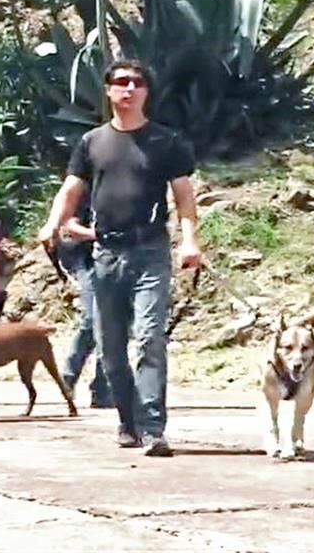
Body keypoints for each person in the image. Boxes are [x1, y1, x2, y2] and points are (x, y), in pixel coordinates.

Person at [37, 59, 202, 457]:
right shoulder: (92, 143)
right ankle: (127, 420)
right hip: (105, 253)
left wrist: (190, 241)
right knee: (110, 346)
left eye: (138, 83)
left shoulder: (166, 142)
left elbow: (184, 198)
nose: (129, 88)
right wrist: (52, 224)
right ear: (108, 91)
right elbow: (71, 190)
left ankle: (152, 428)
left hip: (150, 250)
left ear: (147, 92)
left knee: (149, 338)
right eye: (121, 82)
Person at [55, 187, 113, 409]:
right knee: (91, 320)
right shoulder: (84, 187)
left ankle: (102, 388)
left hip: (118, 256)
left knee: (112, 322)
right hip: (86, 258)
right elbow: (69, 226)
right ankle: (68, 378)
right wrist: (97, 234)